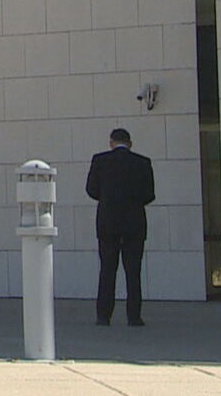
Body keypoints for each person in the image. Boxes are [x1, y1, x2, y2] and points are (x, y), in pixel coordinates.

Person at [85, 127, 156, 326]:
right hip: (134, 223)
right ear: (130, 143)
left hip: (108, 222)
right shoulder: (143, 163)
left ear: (111, 143)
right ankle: (134, 316)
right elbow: (149, 194)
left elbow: (91, 190)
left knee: (107, 270)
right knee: (133, 272)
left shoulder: (100, 161)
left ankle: (103, 315)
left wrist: (108, 198)